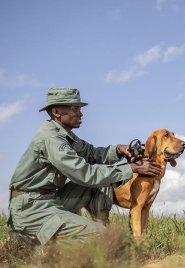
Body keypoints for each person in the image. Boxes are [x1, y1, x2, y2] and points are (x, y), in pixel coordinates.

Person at [7, 88, 161, 245]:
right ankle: (28, 241)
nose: (81, 114)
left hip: (51, 199)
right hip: (31, 208)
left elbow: (92, 154)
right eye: (75, 109)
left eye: (80, 109)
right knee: (109, 238)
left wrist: (119, 149)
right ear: (56, 111)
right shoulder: (51, 140)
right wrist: (131, 168)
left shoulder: (66, 135)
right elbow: (86, 174)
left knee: (104, 182)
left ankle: (101, 227)